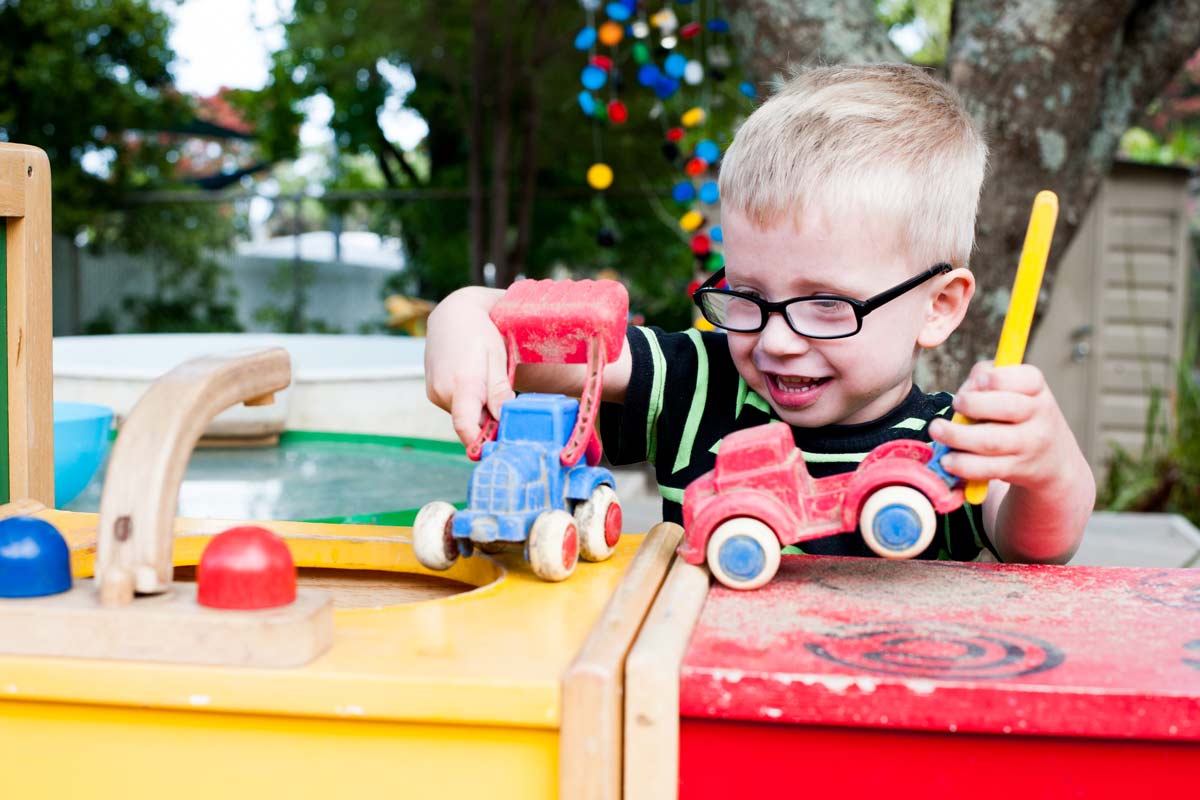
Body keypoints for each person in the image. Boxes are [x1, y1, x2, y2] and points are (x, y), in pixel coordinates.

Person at [424, 64, 1095, 564]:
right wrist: (464, 316)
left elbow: (1037, 547)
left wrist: (1048, 465)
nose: (775, 340)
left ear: (938, 306)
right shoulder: (695, 383)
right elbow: (551, 350)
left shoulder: (953, 442)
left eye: (826, 305)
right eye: (747, 295)